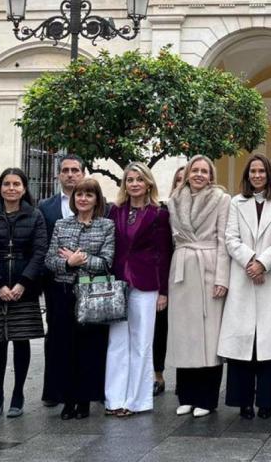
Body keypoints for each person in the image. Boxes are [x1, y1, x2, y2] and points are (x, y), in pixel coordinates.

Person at [0, 168, 48, 419]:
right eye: (7, 184)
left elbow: (40, 251)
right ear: (0, 187)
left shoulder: (35, 216)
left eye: (16, 184)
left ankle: (18, 394)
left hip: (24, 288)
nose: (11, 188)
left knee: (21, 340)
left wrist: (24, 283)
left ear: (24, 188)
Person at [219, 154, 271, 419]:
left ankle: (268, 401)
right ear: (247, 175)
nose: (257, 175)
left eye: (262, 171)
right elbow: (230, 237)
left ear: (269, 174)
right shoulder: (237, 203)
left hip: (269, 279)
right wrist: (251, 261)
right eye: (253, 171)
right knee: (242, 342)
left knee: (268, 343)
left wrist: (263, 263)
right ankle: (243, 400)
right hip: (243, 277)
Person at [105, 162, 173, 417]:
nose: (134, 183)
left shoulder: (159, 214)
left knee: (142, 343)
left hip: (147, 284)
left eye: (139, 179)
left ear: (148, 184)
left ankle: (137, 401)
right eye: (129, 179)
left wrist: (164, 291)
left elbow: (164, 254)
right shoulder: (115, 211)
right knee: (117, 342)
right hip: (119, 282)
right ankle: (114, 399)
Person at [44, 177, 115, 420]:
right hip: (64, 293)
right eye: (79, 195)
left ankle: (84, 399)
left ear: (97, 200)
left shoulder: (106, 226)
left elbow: (106, 262)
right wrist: (67, 262)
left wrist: (79, 258)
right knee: (64, 348)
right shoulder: (62, 225)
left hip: (92, 294)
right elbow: (50, 261)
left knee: (90, 349)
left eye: (88, 195)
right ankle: (68, 400)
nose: (83, 199)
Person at [167, 156, 231, 418]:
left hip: (209, 267)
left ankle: (207, 397)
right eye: (195, 170)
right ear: (187, 173)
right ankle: (186, 395)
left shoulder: (221, 199)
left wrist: (222, 278)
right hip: (182, 269)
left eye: (204, 171)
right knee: (184, 336)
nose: (199, 175)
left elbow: (224, 240)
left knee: (209, 337)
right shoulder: (174, 199)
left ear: (211, 175)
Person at [38, 154, 85, 408]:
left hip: (88, 282)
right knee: (56, 335)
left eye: (75, 170)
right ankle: (53, 390)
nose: (70, 174)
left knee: (86, 336)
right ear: (58, 175)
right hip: (56, 281)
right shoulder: (46, 207)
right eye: (65, 170)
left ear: (83, 173)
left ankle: (85, 388)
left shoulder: (100, 205)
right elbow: (42, 244)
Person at [153, 164, 187, 397]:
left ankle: (186, 378)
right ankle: (158, 374)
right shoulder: (163, 211)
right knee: (160, 327)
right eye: (178, 180)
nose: (182, 184)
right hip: (166, 276)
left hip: (190, 274)